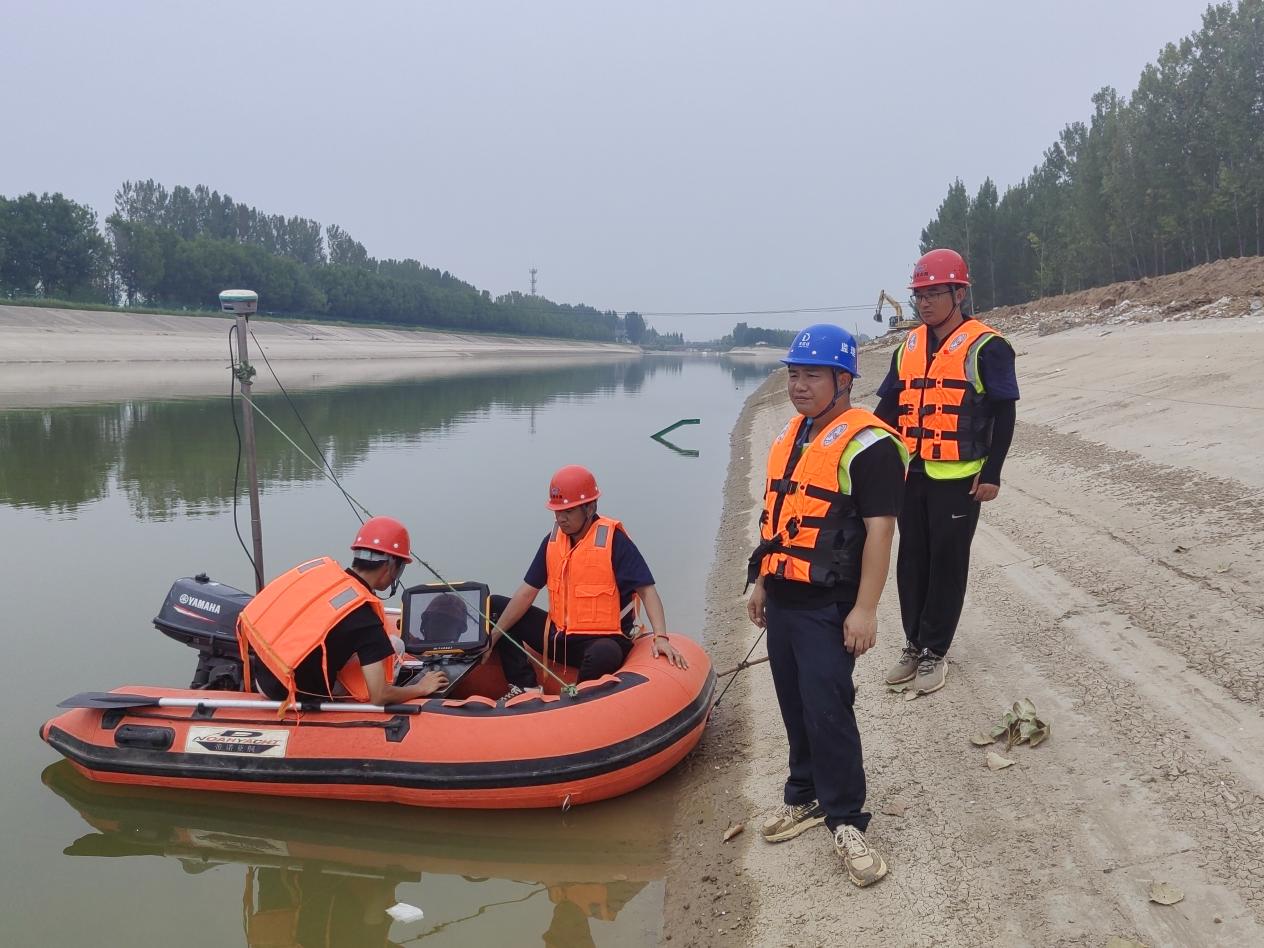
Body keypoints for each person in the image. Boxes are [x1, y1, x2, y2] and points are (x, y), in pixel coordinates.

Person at [746, 323, 907, 888]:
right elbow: (777, 518)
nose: (799, 385)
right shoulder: (791, 434)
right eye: (794, 374)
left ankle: (846, 817)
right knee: (794, 704)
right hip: (785, 598)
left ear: (843, 380)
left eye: (812, 375)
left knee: (829, 709)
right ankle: (805, 794)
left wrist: (865, 610)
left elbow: (881, 532)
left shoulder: (871, 444)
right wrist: (762, 580)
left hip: (830, 605)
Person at [874, 248, 1020, 695]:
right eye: (920, 294)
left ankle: (935, 650)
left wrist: (992, 472)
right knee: (912, 561)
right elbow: (888, 410)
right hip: (911, 473)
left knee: (947, 563)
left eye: (936, 293)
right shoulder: (908, 347)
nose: (925, 303)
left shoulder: (989, 346)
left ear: (959, 293)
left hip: (960, 477)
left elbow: (1005, 412)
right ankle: (913, 643)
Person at [486, 465, 688, 699]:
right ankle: (525, 686)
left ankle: (576, 699)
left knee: (605, 653)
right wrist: (493, 638)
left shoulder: (614, 541)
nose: (561, 518)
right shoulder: (552, 543)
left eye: (569, 511)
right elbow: (526, 593)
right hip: (559, 637)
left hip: (604, 640)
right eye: (557, 511)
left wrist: (660, 637)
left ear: (590, 507)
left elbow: (647, 591)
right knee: (495, 606)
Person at [237, 516, 449, 705]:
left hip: (265, 678)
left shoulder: (323, 576)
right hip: (291, 693)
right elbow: (380, 696)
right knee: (396, 645)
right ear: (391, 566)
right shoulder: (365, 619)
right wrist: (421, 688)